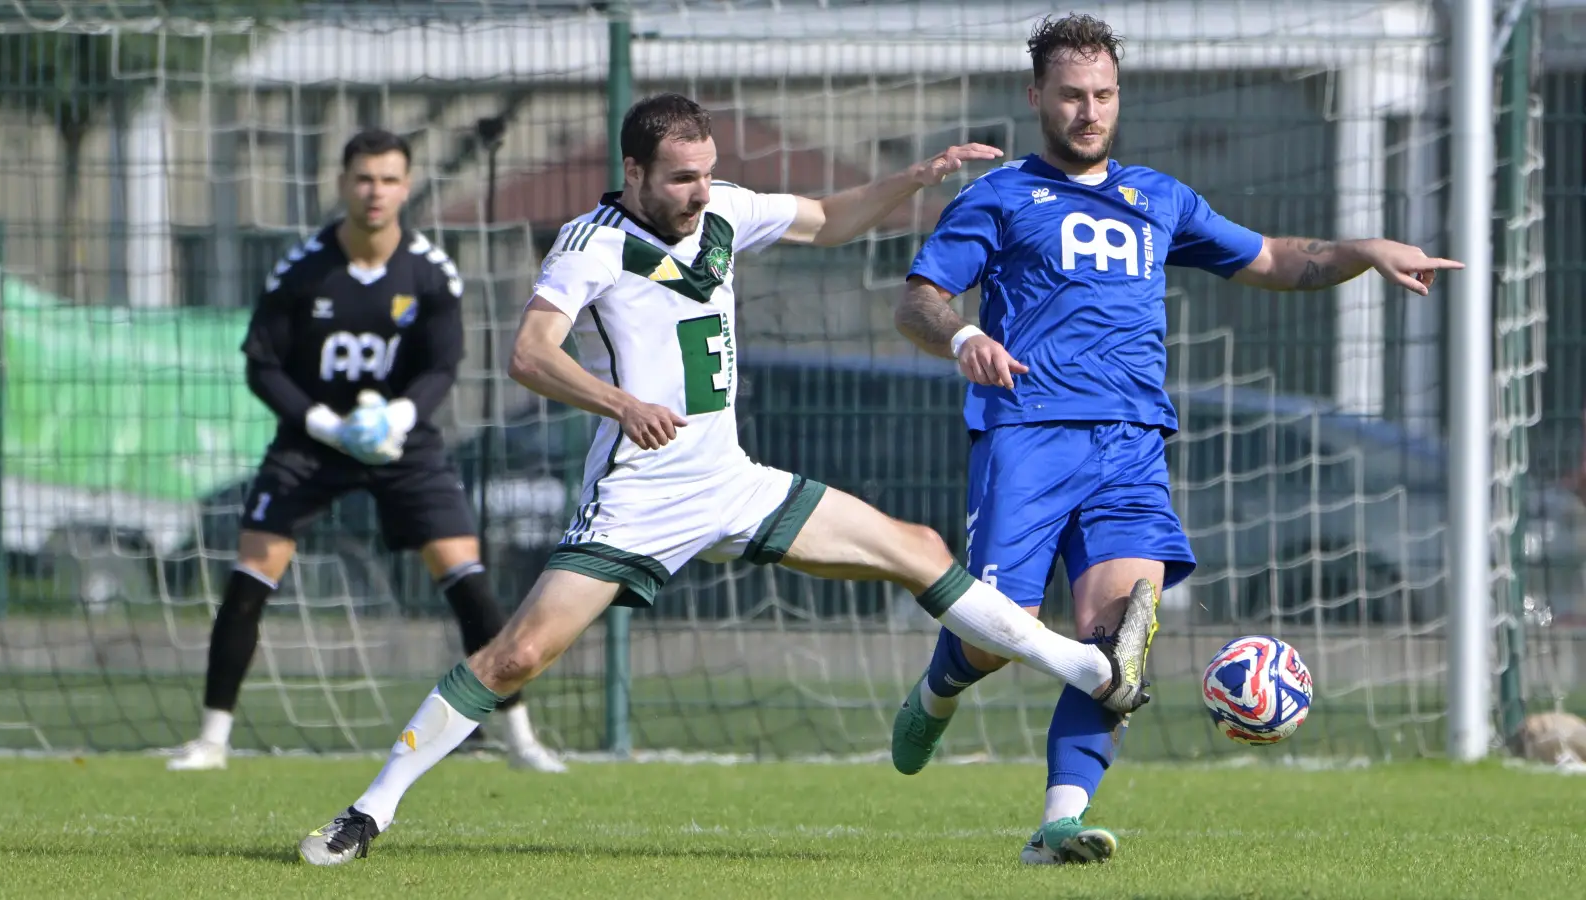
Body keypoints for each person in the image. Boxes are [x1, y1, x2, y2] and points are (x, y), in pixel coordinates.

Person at [295, 92, 1160, 866]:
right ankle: (368, 812)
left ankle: (1087, 670)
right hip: (635, 501)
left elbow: (828, 218)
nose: (699, 191)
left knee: (919, 548)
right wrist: (617, 402)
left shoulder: (724, 214)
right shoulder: (591, 245)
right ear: (633, 172)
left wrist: (916, 177)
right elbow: (528, 353)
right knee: (518, 654)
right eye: (679, 178)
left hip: (730, 483)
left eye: (706, 173)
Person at [890, 13, 1465, 865]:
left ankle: (1057, 825)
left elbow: (1280, 258)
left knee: (1121, 640)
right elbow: (919, 301)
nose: (1089, 111)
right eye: (1072, 95)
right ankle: (942, 685)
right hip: (1029, 435)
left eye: (1104, 95)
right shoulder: (1000, 196)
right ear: (1036, 97)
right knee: (992, 636)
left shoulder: (1160, 197)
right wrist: (964, 338)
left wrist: (1365, 249)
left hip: (1132, 446)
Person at [164, 128, 566, 775]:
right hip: (311, 443)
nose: (374, 191)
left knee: (468, 583)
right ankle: (211, 741)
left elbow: (443, 365)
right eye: (363, 178)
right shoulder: (302, 269)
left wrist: (400, 416)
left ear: (404, 187)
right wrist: (323, 422)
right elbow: (261, 364)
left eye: (387, 179)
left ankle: (520, 739)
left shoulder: (432, 272)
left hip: (404, 445)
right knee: (249, 580)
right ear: (343, 184)